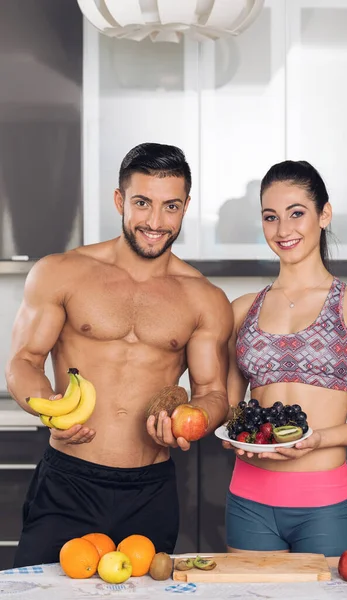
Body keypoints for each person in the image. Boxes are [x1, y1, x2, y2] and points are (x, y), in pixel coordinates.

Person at [6, 142, 233, 567]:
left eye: (171, 207)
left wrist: (194, 422)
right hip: (68, 478)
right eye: (142, 203)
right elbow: (24, 361)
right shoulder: (62, 272)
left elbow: (213, 391)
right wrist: (51, 409)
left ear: (186, 207)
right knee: (36, 592)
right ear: (119, 201)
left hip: (151, 487)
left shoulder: (204, 298)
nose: (155, 221)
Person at [223, 160, 347, 561]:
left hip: (325, 504)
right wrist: (231, 434)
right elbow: (229, 408)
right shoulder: (241, 310)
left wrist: (320, 438)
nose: (283, 230)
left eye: (297, 213)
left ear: (324, 214)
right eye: (271, 217)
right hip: (247, 501)